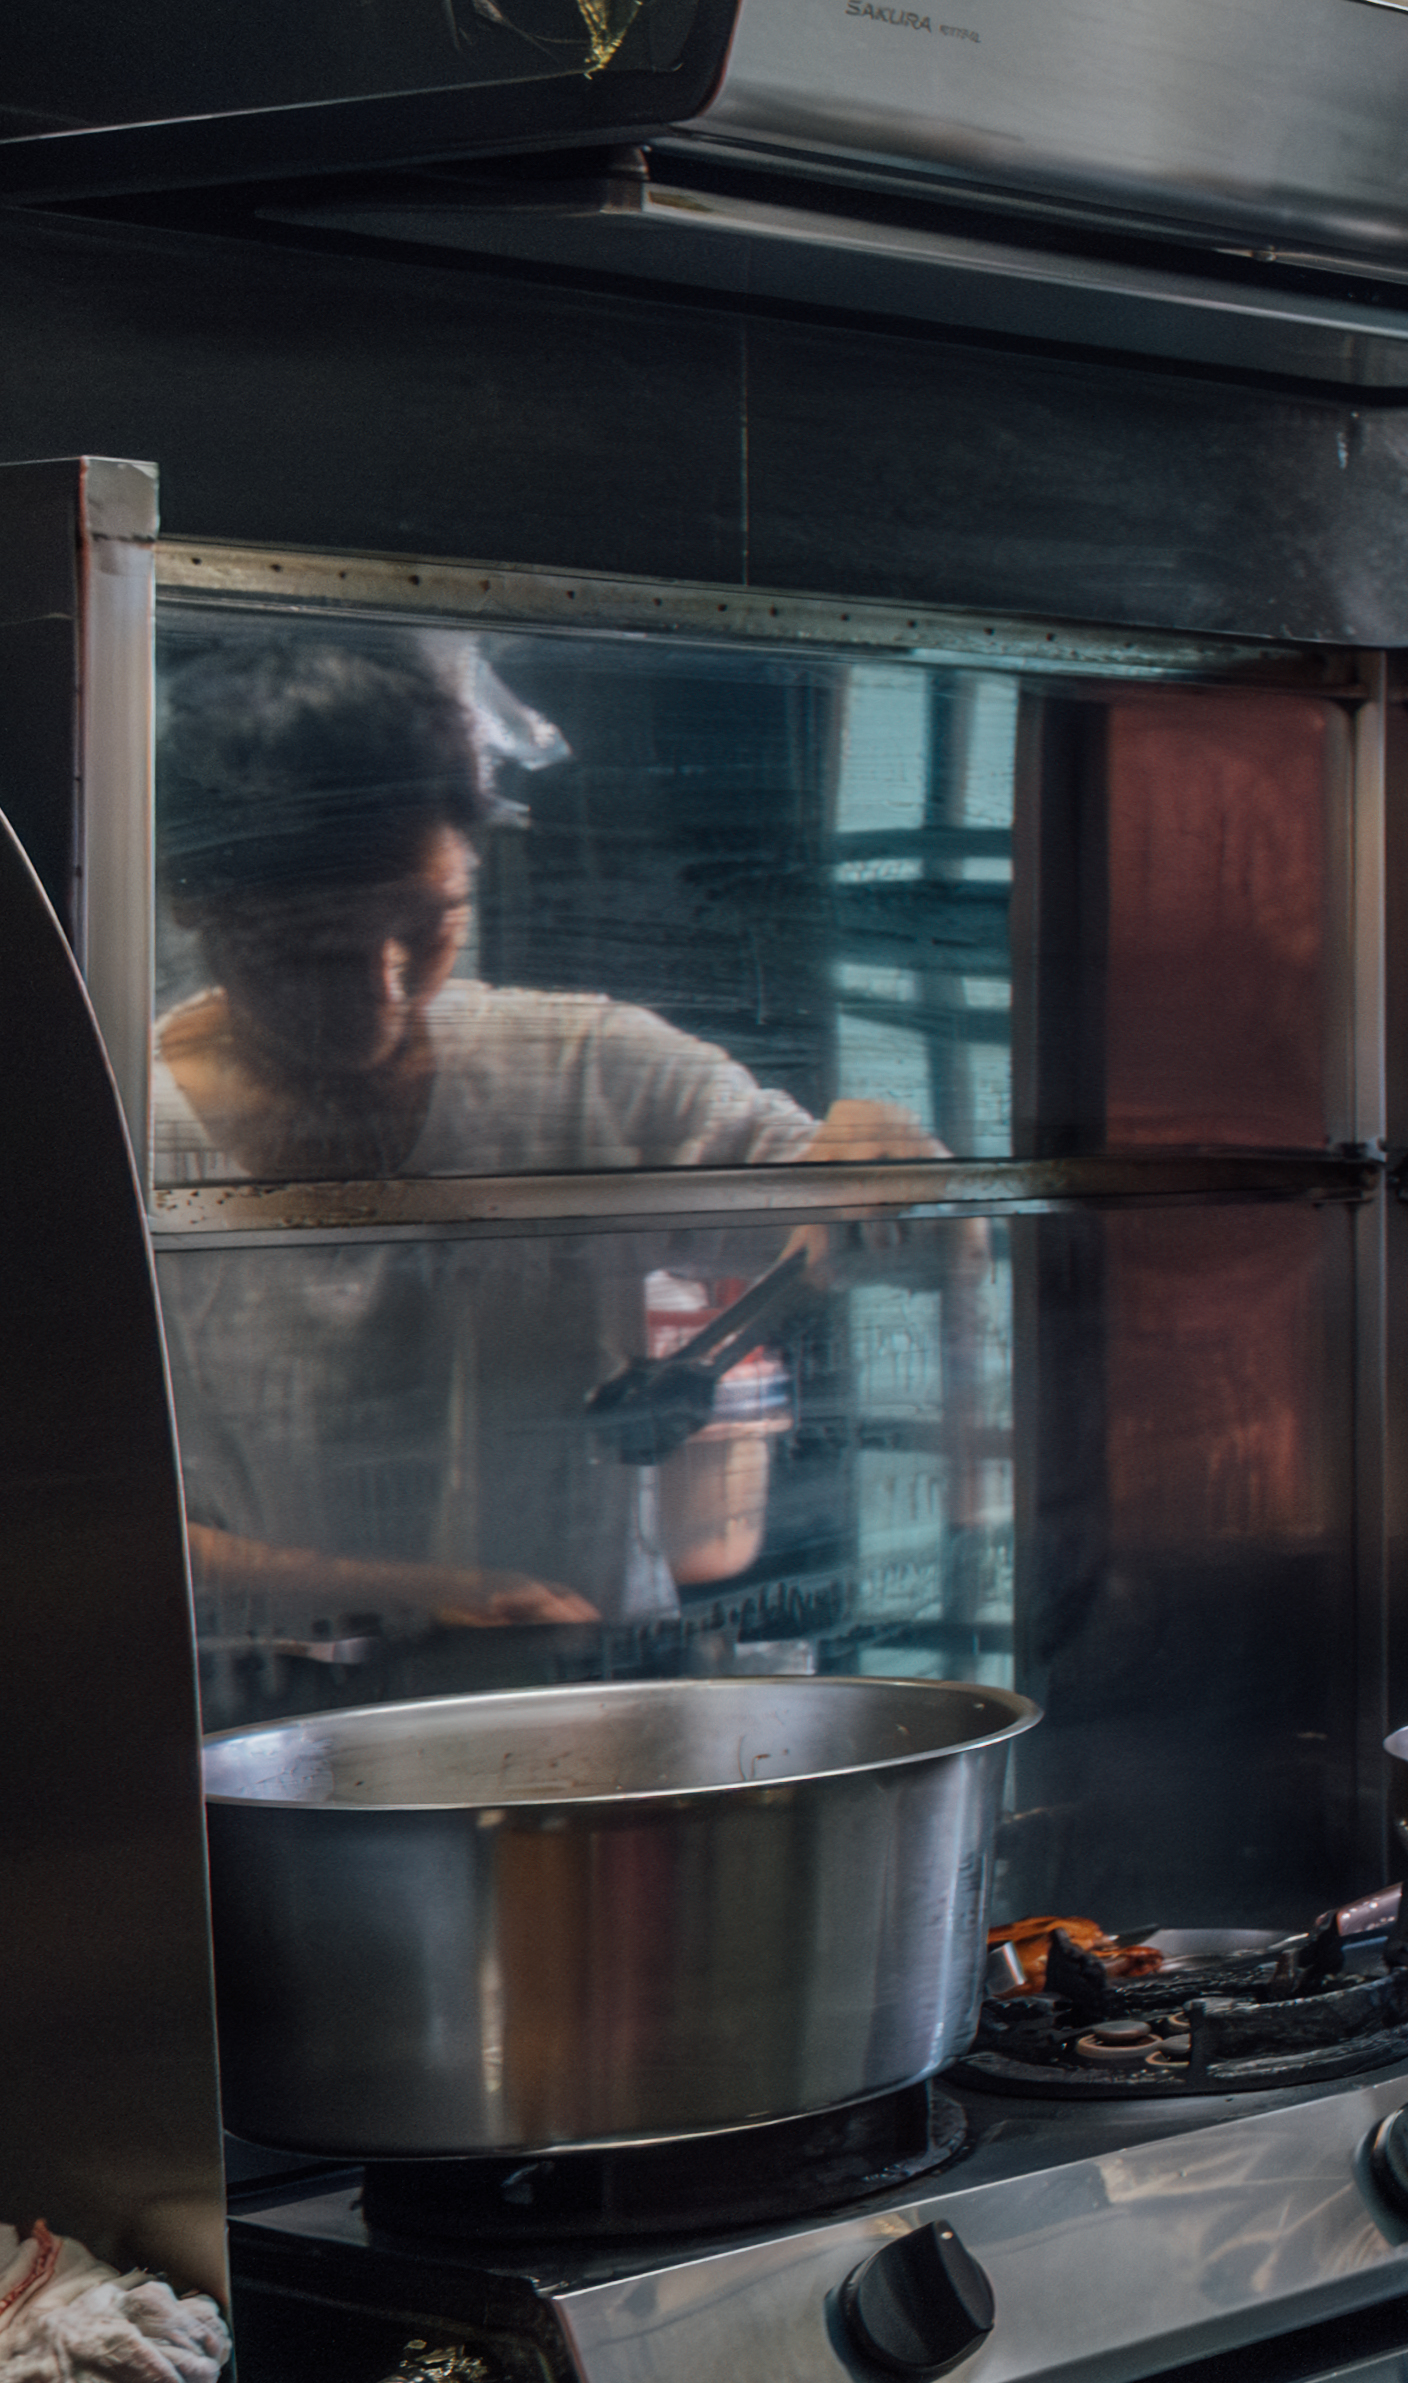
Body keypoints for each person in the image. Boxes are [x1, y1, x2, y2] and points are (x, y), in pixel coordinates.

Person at [146, 632, 921, 1652]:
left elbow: (865, 1223)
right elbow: (74, 1526)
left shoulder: (584, 1067)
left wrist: (887, 1164)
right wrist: (401, 1593)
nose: (383, 990)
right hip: (263, 1742)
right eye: (315, 946)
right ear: (194, 901)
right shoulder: (119, 1132)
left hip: (593, 1717)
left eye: (429, 923)